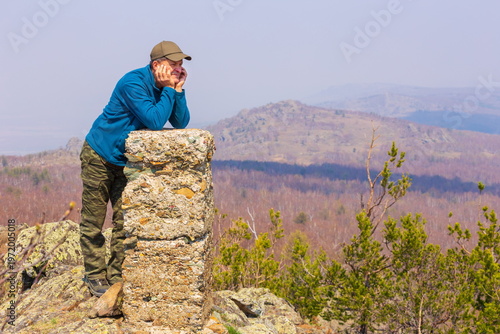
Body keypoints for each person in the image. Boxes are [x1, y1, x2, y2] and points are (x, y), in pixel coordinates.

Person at [79, 41, 191, 297]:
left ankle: (116, 276)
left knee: (124, 221)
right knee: (93, 221)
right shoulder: (133, 83)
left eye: (180, 64)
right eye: (173, 64)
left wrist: (178, 91)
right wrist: (168, 91)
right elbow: (153, 120)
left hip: (125, 161)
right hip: (100, 155)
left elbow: (180, 122)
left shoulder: (166, 87)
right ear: (156, 65)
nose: (178, 68)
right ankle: (95, 276)